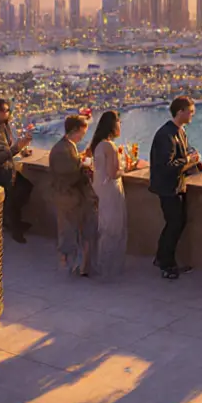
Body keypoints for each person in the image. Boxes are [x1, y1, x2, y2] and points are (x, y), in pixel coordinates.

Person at [149, 96, 201, 280]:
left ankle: (162, 258)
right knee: (174, 224)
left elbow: (185, 154)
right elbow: (167, 165)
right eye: (190, 112)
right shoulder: (166, 135)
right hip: (168, 188)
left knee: (176, 223)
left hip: (177, 186)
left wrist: (195, 161)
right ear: (180, 112)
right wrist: (189, 160)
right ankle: (166, 264)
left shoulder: (180, 131)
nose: (192, 115)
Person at [0, 99, 35, 243]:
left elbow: (6, 149)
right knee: (12, 198)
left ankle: (13, 222)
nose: (6, 113)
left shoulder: (4, 127)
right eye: (2, 111)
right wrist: (17, 147)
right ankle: (15, 228)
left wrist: (20, 150)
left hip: (8, 171)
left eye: (7, 110)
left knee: (24, 189)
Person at [49, 115, 97, 276]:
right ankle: (68, 266)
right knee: (68, 231)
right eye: (82, 133)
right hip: (67, 196)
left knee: (69, 230)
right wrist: (85, 168)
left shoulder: (66, 147)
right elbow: (70, 175)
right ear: (75, 130)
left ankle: (74, 265)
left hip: (66, 196)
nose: (83, 136)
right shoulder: (63, 150)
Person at [88, 110, 127, 279]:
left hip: (99, 188)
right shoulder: (110, 146)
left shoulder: (97, 144)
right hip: (111, 189)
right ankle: (108, 267)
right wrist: (126, 168)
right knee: (113, 227)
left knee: (104, 225)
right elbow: (113, 173)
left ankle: (101, 264)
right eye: (119, 123)